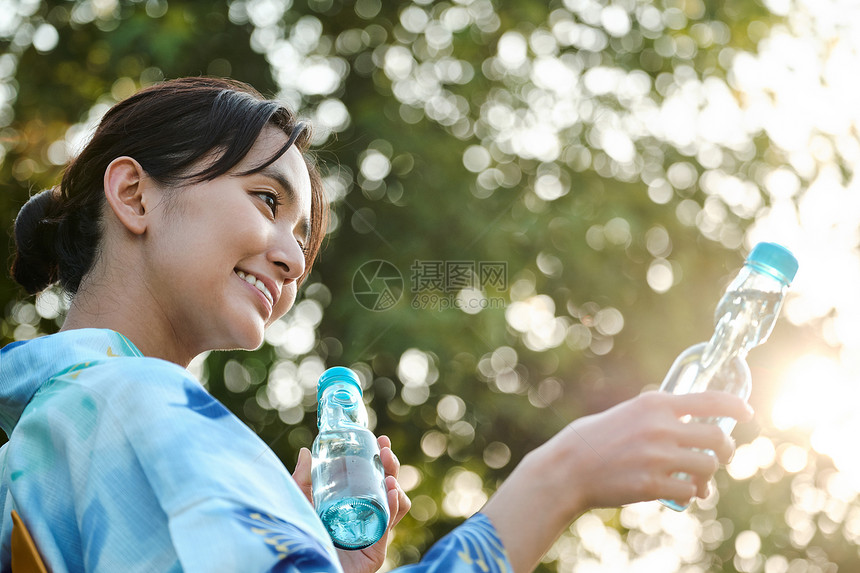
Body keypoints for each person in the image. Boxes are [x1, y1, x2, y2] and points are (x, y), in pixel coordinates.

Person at [0, 77, 752, 573]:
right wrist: (562, 477)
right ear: (134, 193)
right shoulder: (134, 407)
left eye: (304, 238)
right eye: (267, 200)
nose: (293, 257)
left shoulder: (57, 426)